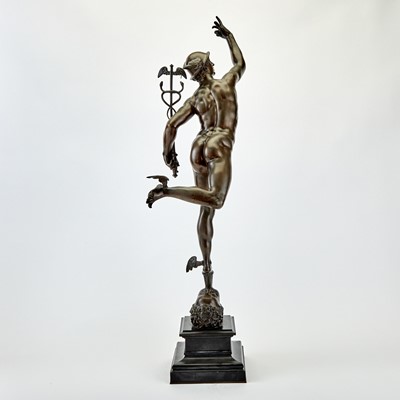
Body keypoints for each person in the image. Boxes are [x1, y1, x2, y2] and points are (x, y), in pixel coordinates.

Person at [147, 17, 245, 290]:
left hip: (198, 146)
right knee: (216, 200)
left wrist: (168, 154)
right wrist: (229, 37)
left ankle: (207, 269)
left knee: (206, 208)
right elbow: (240, 63)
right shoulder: (226, 84)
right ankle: (167, 191)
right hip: (219, 143)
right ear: (209, 66)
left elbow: (171, 125)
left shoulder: (195, 99)